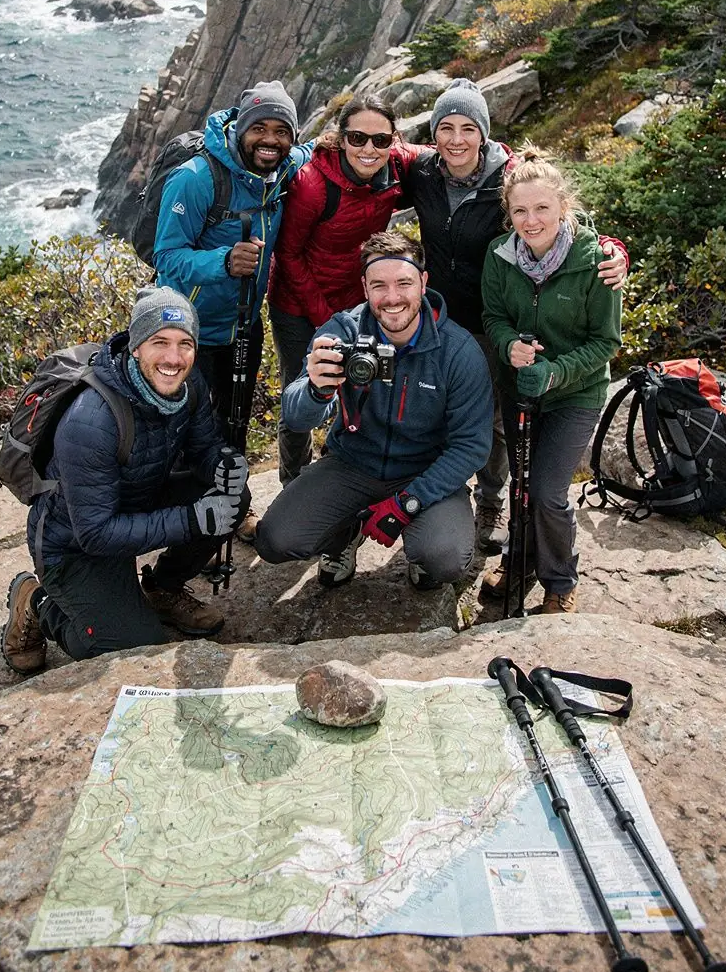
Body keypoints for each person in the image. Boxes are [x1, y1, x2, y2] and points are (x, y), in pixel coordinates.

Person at [400, 78, 628, 553]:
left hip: (494, 321)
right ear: (433, 133)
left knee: (496, 423)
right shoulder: (421, 172)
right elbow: (374, 162)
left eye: (468, 127)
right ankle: (449, 502)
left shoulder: (508, 175)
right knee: (446, 412)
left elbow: (555, 214)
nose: (456, 139)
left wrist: (612, 248)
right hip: (440, 320)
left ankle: (490, 500)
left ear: (484, 132)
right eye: (446, 127)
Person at [0, 287, 249, 673]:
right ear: (135, 347)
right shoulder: (91, 421)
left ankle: (163, 588)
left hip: (137, 501)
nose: (173, 357)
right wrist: (192, 519)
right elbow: (95, 534)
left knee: (234, 497)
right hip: (74, 545)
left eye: (185, 343)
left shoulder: (189, 384)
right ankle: (35, 601)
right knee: (131, 649)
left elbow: (203, 447)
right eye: (159, 342)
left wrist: (220, 464)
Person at [255, 231, 493, 592]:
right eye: (379, 285)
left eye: (404, 283)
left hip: (423, 470)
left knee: (443, 558)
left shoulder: (457, 351)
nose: (392, 297)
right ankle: (345, 533)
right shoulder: (343, 332)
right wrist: (316, 390)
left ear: (424, 283)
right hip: (352, 464)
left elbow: (471, 446)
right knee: (275, 540)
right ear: (364, 287)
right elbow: (297, 417)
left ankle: (422, 549)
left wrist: (408, 504)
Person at [153, 79, 312, 536]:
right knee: (188, 432)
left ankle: (232, 509)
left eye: (282, 131)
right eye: (259, 128)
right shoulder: (197, 178)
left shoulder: (281, 170)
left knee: (234, 422)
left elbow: (320, 148)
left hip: (243, 326)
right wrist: (223, 261)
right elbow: (167, 256)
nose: (270, 140)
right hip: (190, 333)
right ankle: (189, 527)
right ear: (240, 130)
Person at [481, 149, 622, 614]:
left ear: (564, 206)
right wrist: (508, 348)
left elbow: (606, 342)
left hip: (575, 394)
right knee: (522, 482)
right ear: (509, 213)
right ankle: (519, 560)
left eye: (542, 208)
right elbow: (495, 316)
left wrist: (556, 372)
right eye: (520, 210)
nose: (531, 219)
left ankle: (560, 580)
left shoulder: (595, 261)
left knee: (546, 491)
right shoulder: (500, 256)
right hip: (520, 389)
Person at [268, 95, 421, 486]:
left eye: (381, 140)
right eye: (358, 138)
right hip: (299, 305)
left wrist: (507, 158)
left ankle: (340, 476)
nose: (369, 149)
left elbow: (447, 152)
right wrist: (326, 320)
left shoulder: (396, 166)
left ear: (393, 140)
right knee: (302, 390)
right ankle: (294, 484)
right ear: (341, 138)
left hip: (353, 303)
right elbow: (288, 256)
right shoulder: (314, 185)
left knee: (358, 388)